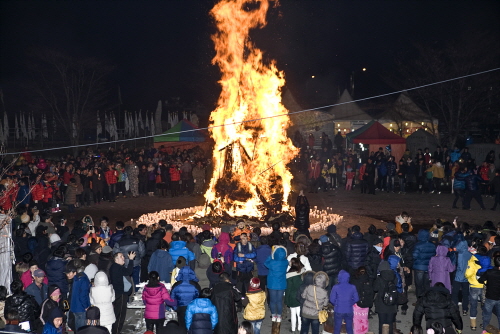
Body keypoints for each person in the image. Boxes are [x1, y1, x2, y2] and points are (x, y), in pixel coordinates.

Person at [112, 225, 146, 290]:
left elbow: (115, 253)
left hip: (124, 265)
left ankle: (127, 298)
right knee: (137, 281)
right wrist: (138, 258)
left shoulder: (119, 242)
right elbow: (142, 252)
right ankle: (137, 295)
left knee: (126, 282)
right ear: (132, 232)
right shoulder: (138, 241)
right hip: (136, 264)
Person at [109, 251, 135, 334]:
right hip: (121, 294)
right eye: (121, 257)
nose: (123, 258)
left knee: (118, 313)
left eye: (123, 256)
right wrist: (131, 260)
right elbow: (129, 272)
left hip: (117, 293)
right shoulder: (117, 267)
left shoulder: (114, 267)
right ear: (116, 259)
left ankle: (116, 331)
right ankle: (116, 331)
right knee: (120, 315)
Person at [329, 270, 359, 334]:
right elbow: (356, 299)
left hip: (338, 310)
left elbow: (332, 299)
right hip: (349, 310)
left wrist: (337, 304)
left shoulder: (336, 287)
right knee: (349, 328)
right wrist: (350, 303)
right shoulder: (352, 287)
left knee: (337, 328)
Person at [264, 245, 288, 324]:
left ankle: (274, 315)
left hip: (272, 284)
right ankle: (279, 316)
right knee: (279, 301)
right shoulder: (285, 262)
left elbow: (265, 263)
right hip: (281, 285)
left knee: (273, 301)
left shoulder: (272, 262)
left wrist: (271, 255)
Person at [373, 261, 397, 334]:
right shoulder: (394, 277)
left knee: (382, 323)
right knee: (390, 323)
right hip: (392, 304)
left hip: (381, 304)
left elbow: (375, 288)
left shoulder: (380, 278)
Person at [67, 260, 91, 331]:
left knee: (77, 328)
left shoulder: (77, 278)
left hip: (74, 307)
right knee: (82, 329)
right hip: (81, 308)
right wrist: (86, 306)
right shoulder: (83, 279)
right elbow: (83, 295)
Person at [478, 255, 500, 332]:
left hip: (490, 297)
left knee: (486, 316)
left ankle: (485, 331)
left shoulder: (490, 272)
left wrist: (486, 282)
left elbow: (480, 280)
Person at [412, 230, 436, 299]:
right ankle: (427, 299)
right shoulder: (432, 245)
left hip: (419, 267)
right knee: (427, 285)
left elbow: (414, 256)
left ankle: (420, 300)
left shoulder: (417, 245)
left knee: (419, 285)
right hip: (428, 267)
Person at [285, 258, 305, 334]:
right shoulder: (302, 273)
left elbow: (288, 289)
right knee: (299, 313)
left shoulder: (289, 275)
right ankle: (300, 328)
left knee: (293, 313)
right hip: (301, 296)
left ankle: (293, 329)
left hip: (292, 297)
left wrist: (286, 299)